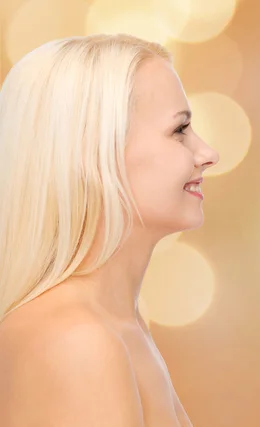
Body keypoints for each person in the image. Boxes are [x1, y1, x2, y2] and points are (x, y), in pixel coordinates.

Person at [0, 33, 219, 426]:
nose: (208, 154)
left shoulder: (120, 327)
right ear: (95, 152)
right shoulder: (74, 340)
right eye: (180, 130)